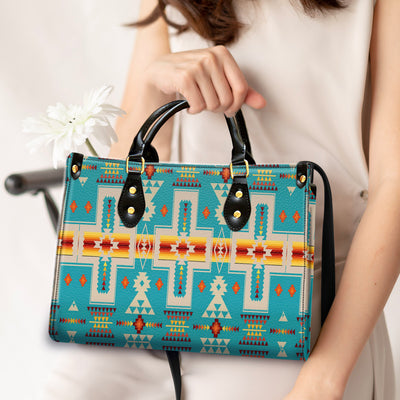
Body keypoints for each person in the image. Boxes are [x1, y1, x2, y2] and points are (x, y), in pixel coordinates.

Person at [105, 0, 398, 399]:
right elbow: (122, 178)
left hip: (312, 309)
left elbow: (394, 184)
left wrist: (324, 377)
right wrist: (153, 84)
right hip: (165, 293)